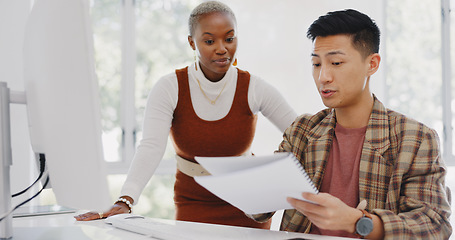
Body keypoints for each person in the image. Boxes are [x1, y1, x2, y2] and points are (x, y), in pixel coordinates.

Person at [74, 1, 297, 229]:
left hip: (249, 206)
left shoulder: (254, 87)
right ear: (192, 42)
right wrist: (125, 200)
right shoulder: (170, 87)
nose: (222, 48)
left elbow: (301, 133)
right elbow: (151, 147)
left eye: (229, 39)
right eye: (209, 41)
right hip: (193, 203)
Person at [249, 9, 452, 239]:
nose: (323, 76)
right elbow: (261, 210)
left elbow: (434, 226)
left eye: (336, 62)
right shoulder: (302, 130)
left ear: (372, 64)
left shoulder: (415, 139)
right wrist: (252, 181)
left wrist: (359, 222)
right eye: (316, 64)